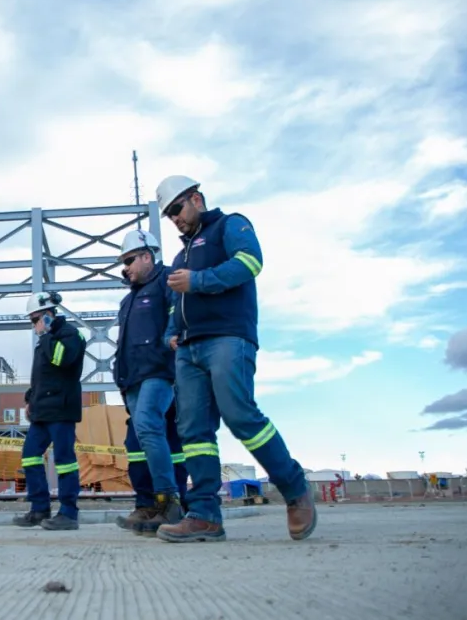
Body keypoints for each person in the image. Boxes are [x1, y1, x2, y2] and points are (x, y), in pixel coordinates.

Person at [154, 174, 317, 543]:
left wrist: (197, 281)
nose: (175, 219)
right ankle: (205, 514)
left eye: (177, 209)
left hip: (228, 337)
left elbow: (249, 263)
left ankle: (295, 490)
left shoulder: (232, 225)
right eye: (168, 215)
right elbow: (174, 306)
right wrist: (170, 333)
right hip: (190, 349)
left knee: (241, 415)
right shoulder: (182, 254)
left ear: (196, 198)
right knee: (194, 433)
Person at [112, 229, 188, 534]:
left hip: (159, 372)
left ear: (147, 256)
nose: (126, 267)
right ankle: (147, 506)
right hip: (132, 379)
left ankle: (169, 502)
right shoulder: (127, 301)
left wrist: (173, 341)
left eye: (130, 260)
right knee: (137, 442)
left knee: (148, 426)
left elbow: (179, 317)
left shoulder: (168, 282)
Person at [12, 290, 87, 530]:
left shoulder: (69, 335)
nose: (33, 324)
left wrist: (45, 334)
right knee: (30, 456)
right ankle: (39, 508)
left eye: (35, 319)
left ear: (47, 315)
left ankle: (68, 512)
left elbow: (61, 360)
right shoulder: (45, 339)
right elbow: (41, 377)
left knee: (65, 461)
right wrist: (29, 399)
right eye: (32, 320)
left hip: (61, 410)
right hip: (42, 411)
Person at [119, 402, 190, 534]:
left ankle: (173, 506)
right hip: (135, 390)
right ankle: (146, 505)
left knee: (172, 450)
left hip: (171, 397)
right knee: (137, 450)